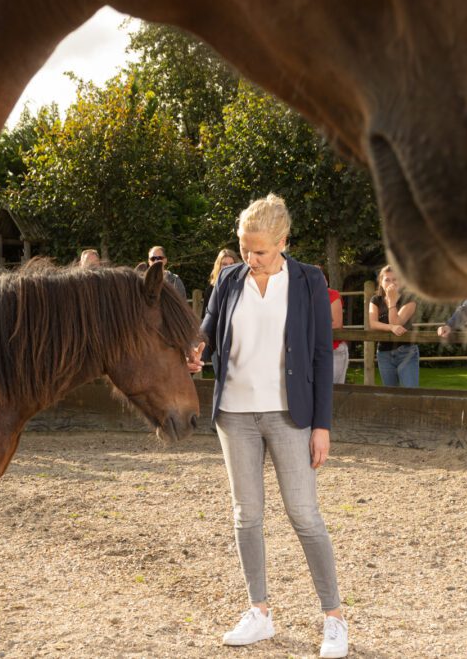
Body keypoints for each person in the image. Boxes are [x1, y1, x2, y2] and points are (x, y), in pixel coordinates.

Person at [187, 194, 348, 658]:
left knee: (304, 515)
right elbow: (209, 330)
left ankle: (333, 618)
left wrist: (322, 425)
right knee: (247, 515)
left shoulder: (308, 280)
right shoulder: (231, 279)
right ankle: (259, 611)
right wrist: (197, 351)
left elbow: (320, 354)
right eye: (244, 248)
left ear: (283, 242)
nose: (249, 259)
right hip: (234, 414)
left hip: (289, 415)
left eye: (259, 250)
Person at [368, 265, 419, 387]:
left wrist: (392, 302)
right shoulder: (375, 300)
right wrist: (391, 328)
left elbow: (396, 322)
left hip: (406, 351)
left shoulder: (410, 299)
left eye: (395, 279)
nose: (391, 283)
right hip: (384, 353)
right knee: (390, 395)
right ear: (381, 282)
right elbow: (373, 323)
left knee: (410, 393)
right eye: (387, 279)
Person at [318, 267, 348, 385]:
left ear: (326, 280)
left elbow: (336, 324)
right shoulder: (303, 298)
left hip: (333, 349)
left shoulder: (332, 295)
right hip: (312, 351)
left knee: (333, 390)